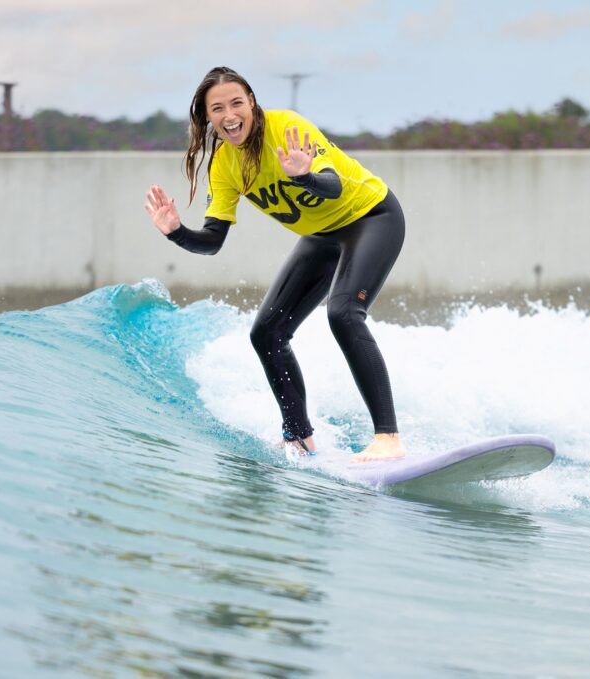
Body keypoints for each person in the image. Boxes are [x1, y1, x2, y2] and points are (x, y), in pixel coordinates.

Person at [144, 66, 405, 463]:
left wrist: (303, 176)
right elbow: (213, 241)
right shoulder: (225, 165)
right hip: (322, 235)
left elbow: (333, 186)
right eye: (217, 108)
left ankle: (388, 437)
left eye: (236, 102)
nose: (229, 114)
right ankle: (298, 438)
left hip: (371, 217)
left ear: (251, 102)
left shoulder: (287, 128)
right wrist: (177, 231)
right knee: (267, 332)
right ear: (207, 118)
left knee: (343, 313)